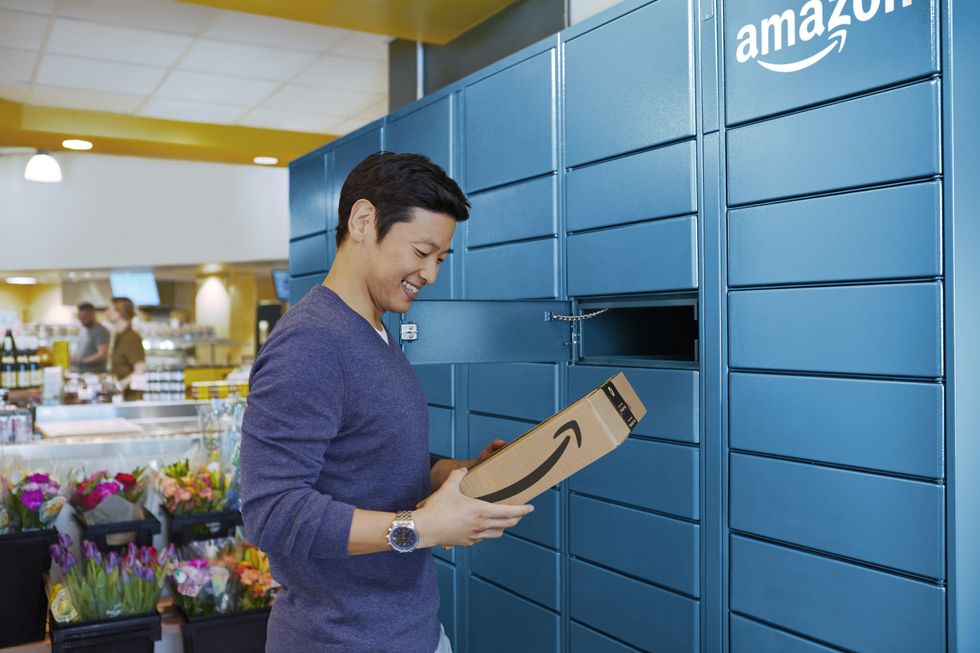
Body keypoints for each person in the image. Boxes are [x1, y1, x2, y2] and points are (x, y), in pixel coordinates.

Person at [240, 152, 533, 653]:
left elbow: (368, 460)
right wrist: (418, 528)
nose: (431, 274)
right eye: (422, 251)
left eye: (440, 259)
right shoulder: (310, 344)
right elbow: (272, 512)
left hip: (411, 631)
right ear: (362, 221)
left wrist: (460, 473)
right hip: (338, 640)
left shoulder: (375, 333)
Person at [106, 296, 146, 401]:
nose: (107, 312)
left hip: (130, 399)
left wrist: (120, 385)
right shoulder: (119, 335)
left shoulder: (132, 338)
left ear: (120, 312)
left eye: (109, 309)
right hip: (121, 398)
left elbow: (140, 369)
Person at [71, 302, 110, 374]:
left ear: (93, 315)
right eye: (80, 317)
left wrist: (81, 361)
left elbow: (102, 356)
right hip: (81, 373)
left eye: (84, 317)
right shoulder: (83, 329)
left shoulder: (101, 331)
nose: (81, 320)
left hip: (94, 374)